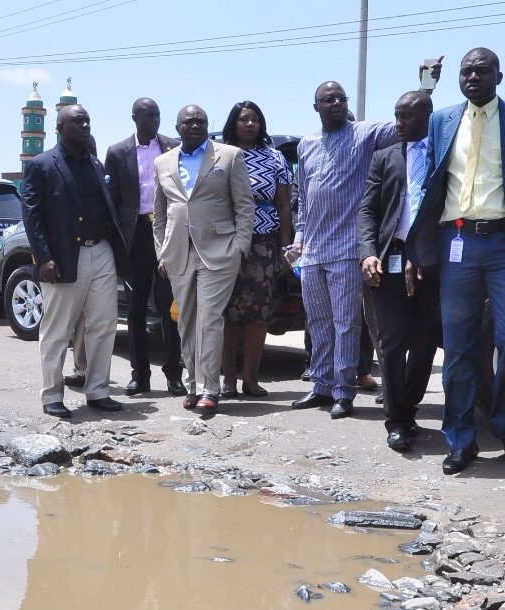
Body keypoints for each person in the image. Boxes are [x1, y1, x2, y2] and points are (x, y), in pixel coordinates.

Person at [289, 65, 438, 420]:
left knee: (346, 325)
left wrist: (426, 86)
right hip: (313, 253)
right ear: (316, 106)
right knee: (318, 323)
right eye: (330, 99)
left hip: (347, 250)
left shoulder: (364, 134)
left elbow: (412, 118)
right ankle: (321, 386)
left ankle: (343, 391)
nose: (337, 103)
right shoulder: (307, 144)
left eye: (341, 98)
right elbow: (305, 198)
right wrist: (299, 239)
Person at [408, 48, 505, 474]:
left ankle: (500, 425)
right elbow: (428, 184)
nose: (472, 77)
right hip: (457, 241)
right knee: (460, 349)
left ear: (498, 77)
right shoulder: (442, 120)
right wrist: (417, 247)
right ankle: (461, 440)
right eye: (467, 71)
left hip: (501, 242)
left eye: (482, 71)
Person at [21, 104, 130, 418]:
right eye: (77, 122)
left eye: (87, 121)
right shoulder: (41, 165)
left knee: (103, 325)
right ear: (59, 127)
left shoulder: (95, 163)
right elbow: (32, 215)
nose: (84, 126)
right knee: (57, 330)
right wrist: (43, 257)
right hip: (65, 257)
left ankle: (97, 390)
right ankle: (52, 395)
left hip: (102, 252)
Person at [153, 105, 254, 414]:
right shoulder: (162, 162)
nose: (195, 124)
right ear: (177, 127)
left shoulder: (229, 155)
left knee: (210, 319)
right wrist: (161, 250)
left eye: (201, 121)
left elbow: (244, 205)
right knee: (186, 320)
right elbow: (159, 214)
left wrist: (240, 247)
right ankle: (193, 385)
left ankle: (211, 388)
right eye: (189, 121)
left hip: (220, 251)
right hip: (178, 253)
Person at [359, 90, 440, 454]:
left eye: (407, 116)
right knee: (391, 343)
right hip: (389, 258)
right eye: (396, 115)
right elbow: (367, 212)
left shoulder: (444, 154)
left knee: (424, 343)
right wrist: (367, 253)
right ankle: (398, 420)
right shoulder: (384, 158)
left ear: (428, 116)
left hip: (431, 260)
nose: (399, 123)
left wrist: (419, 252)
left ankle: (408, 405)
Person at [104, 97, 185, 396]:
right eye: (148, 115)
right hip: (136, 234)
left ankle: (174, 374)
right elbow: (112, 199)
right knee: (136, 308)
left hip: (167, 232)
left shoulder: (173, 147)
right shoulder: (117, 152)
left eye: (157, 115)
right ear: (134, 117)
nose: (154, 120)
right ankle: (140, 375)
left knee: (169, 307)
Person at [217, 101, 293, 398]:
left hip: (264, 243)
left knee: (257, 313)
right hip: (225, 241)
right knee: (225, 312)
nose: (250, 125)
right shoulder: (219, 155)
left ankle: (250, 378)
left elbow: (284, 205)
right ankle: (227, 380)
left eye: (255, 120)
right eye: (243, 119)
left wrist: (286, 246)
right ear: (233, 124)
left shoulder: (274, 157)